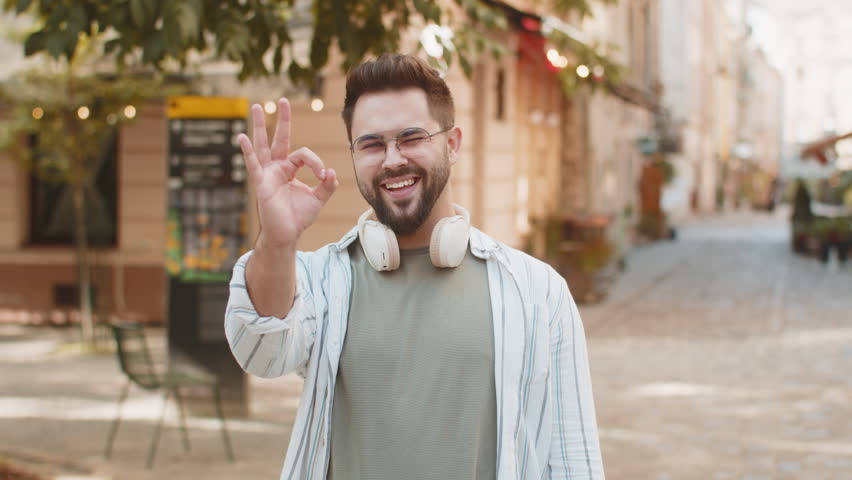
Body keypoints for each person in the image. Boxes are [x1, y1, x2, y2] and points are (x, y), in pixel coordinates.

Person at [225, 53, 605, 479]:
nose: (392, 160)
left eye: (411, 137)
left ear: (453, 143)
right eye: (371, 144)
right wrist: (278, 240)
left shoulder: (537, 291)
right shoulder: (322, 279)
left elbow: (574, 461)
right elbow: (261, 353)